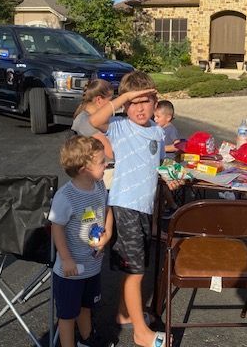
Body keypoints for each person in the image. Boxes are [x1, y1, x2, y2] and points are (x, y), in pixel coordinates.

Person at [89, 71, 171, 347]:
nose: (140, 108)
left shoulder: (157, 132)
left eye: (145, 101)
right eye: (134, 103)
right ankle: (140, 332)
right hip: (125, 205)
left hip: (144, 207)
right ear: (124, 105)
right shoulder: (120, 126)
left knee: (135, 268)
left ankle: (126, 314)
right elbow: (95, 119)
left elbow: (158, 165)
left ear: (155, 103)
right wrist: (125, 96)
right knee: (136, 272)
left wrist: (172, 175)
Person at [48, 136, 114, 347]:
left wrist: (109, 232)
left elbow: (107, 208)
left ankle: (87, 340)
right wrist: (66, 259)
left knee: (87, 307)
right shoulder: (66, 196)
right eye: (102, 161)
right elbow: (56, 227)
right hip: (71, 271)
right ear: (85, 168)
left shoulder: (99, 185)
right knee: (67, 315)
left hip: (92, 265)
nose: (107, 164)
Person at [72, 79, 115, 160]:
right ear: (99, 100)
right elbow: (109, 154)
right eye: (110, 100)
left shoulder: (85, 116)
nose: (112, 104)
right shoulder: (86, 121)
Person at [154, 100, 181, 218]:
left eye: (158, 117)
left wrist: (162, 148)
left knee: (163, 186)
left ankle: (172, 206)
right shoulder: (159, 128)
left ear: (168, 117)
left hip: (169, 162)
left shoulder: (171, 129)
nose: (155, 119)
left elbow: (177, 145)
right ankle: (165, 205)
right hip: (161, 161)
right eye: (154, 116)